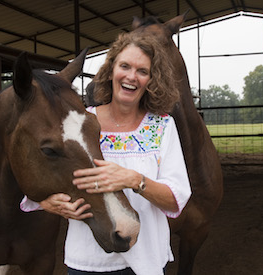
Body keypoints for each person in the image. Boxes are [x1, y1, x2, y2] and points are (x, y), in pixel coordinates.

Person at [21, 31, 191, 275]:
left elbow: (176, 199)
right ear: (111, 70)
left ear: (152, 80)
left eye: (142, 71)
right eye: (125, 66)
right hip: (89, 262)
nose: (132, 76)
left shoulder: (162, 126)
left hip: (146, 263)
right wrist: (48, 203)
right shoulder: (80, 121)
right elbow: (43, 171)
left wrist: (133, 180)